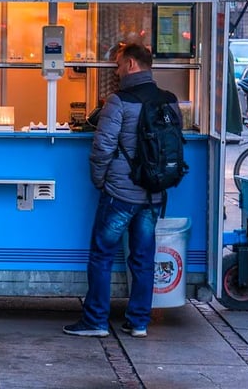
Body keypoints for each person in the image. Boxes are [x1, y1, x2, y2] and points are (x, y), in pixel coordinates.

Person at [63, 43, 179, 339]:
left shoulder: (118, 101)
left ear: (130, 64)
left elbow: (101, 149)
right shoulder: (169, 101)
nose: (115, 71)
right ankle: (139, 321)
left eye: (117, 65)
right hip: (153, 195)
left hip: (120, 195)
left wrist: (101, 182)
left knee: (102, 255)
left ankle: (96, 321)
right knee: (142, 258)